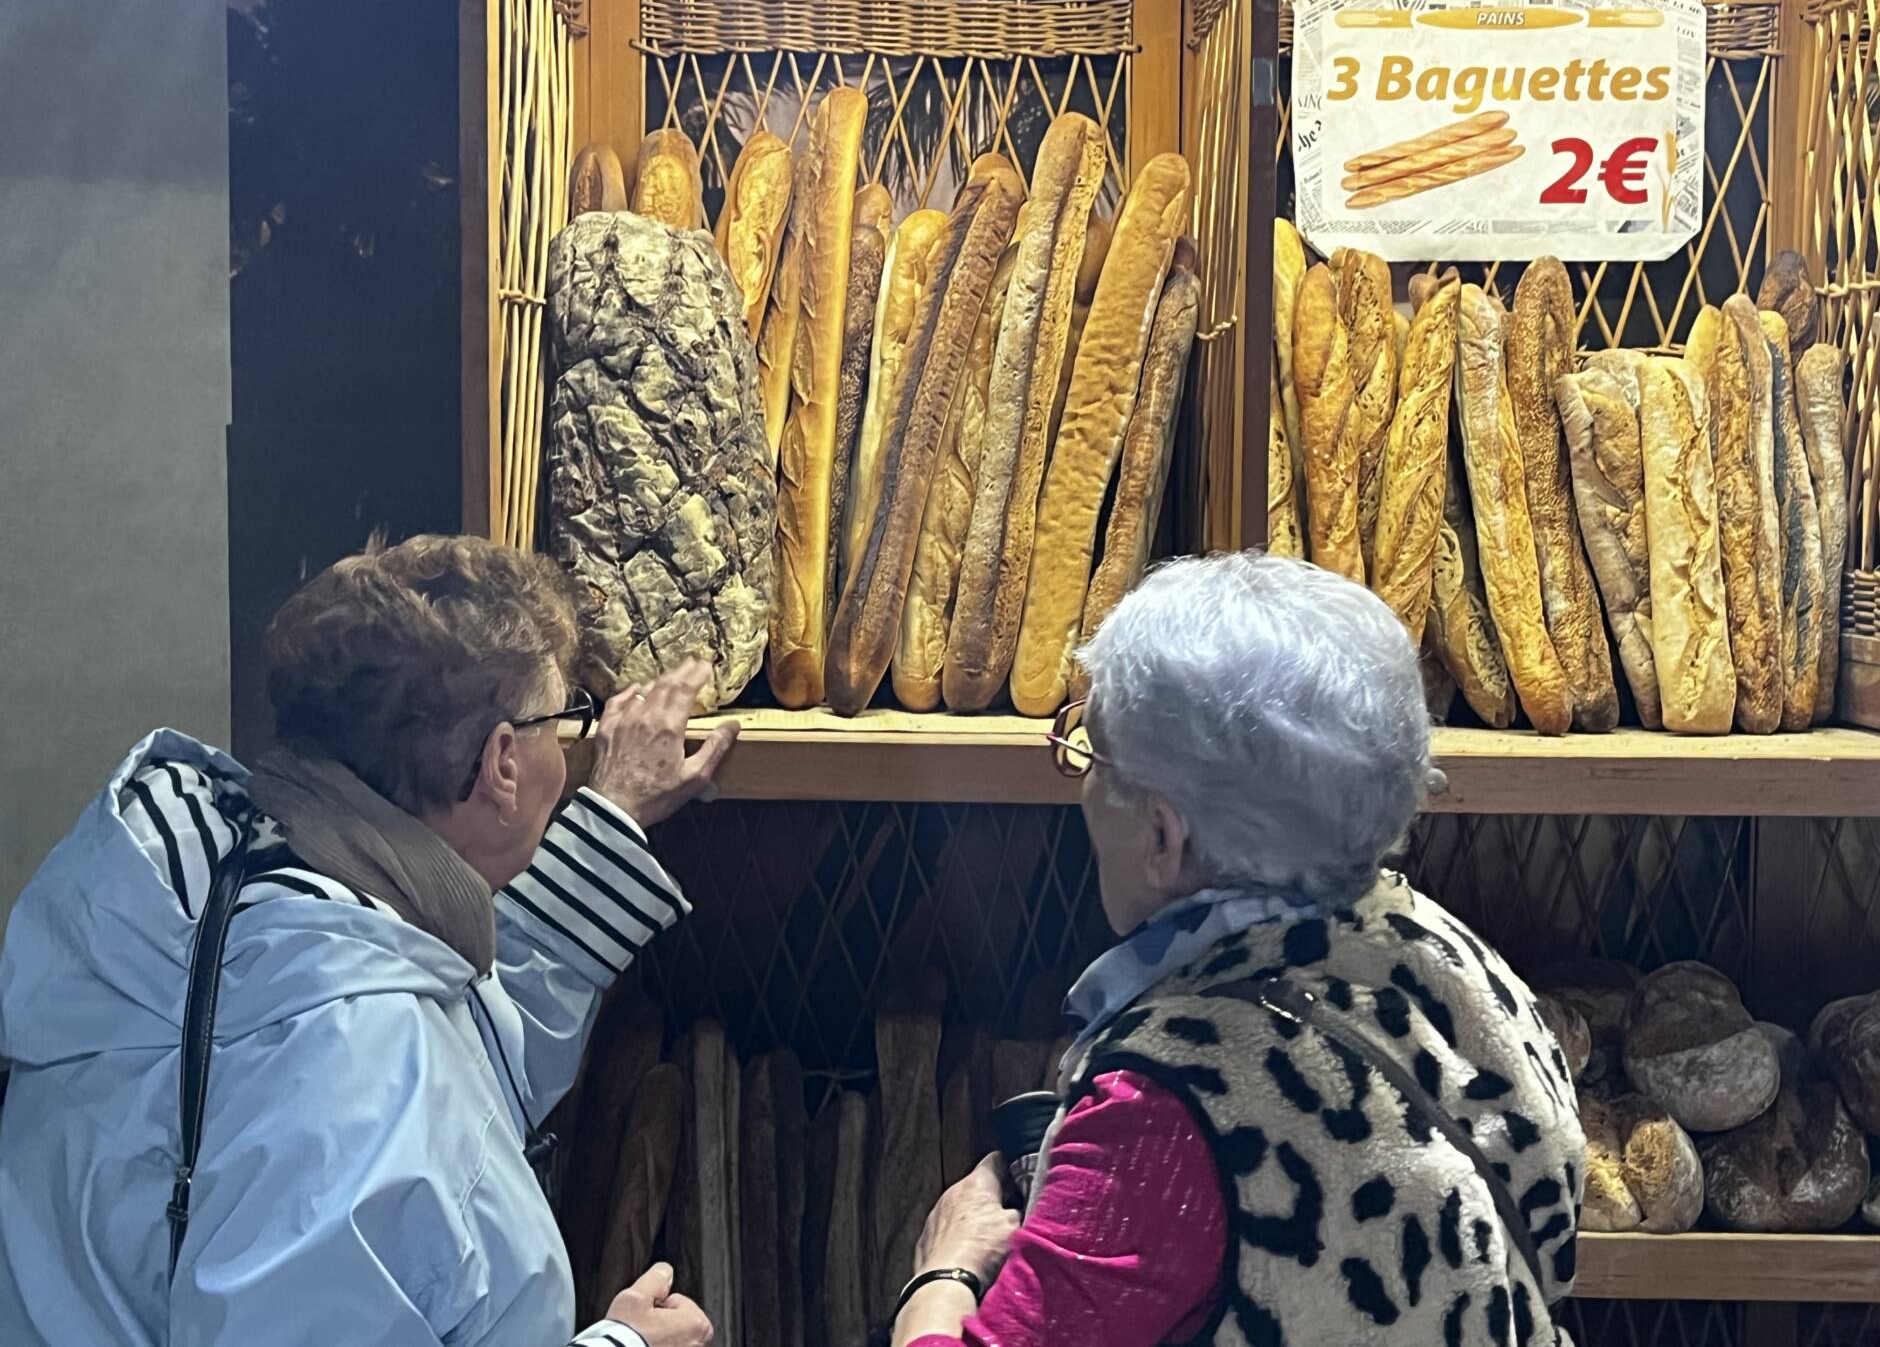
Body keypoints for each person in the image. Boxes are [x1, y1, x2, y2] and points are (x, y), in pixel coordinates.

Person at [0, 535, 730, 1347]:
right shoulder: (357, 1076)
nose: (574, 749)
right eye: (566, 723)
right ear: (501, 763)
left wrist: (612, 817)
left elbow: (461, 1055)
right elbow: (381, 1098)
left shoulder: (222, 887)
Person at [893, 553, 1586, 1347]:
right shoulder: (1456, 957)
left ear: (1163, 835)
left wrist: (942, 1274)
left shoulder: (1161, 1108)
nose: (1080, 782)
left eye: (1091, 752)